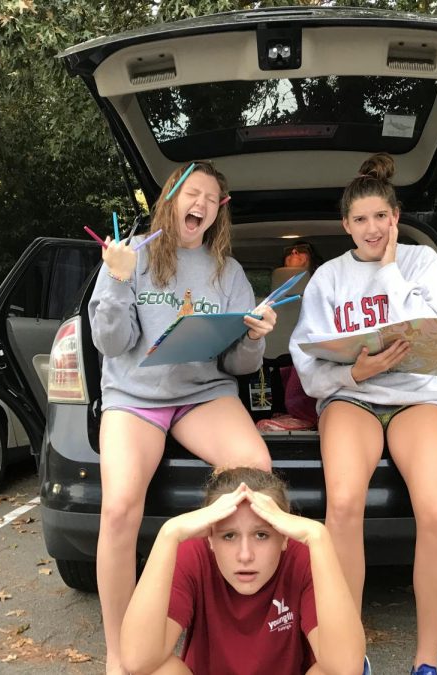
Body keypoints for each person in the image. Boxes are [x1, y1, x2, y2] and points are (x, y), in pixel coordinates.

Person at [89, 161, 278, 674]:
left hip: (201, 393)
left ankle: (219, 622)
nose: (200, 204)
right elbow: (111, 342)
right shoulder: (131, 255)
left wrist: (253, 339)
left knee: (253, 476)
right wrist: (115, 280)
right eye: (191, 193)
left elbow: (234, 365)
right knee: (120, 506)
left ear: (220, 211)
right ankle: (118, 651)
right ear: (169, 197)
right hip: (135, 396)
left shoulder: (229, 271)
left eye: (211, 198)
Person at [290, 152, 437, 675]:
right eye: (359, 220)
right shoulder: (326, 279)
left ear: (395, 217)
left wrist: (388, 270)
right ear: (345, 225)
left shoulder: (422, 263)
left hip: (415, 397)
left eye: (380, 217)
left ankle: (426, 661)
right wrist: (353, 377)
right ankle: (349, 652)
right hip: (352, 398)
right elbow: (307, 363)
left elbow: (429, 331)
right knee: (341, 507)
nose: (371, 228)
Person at [119, 467, 366, 675]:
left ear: (284, 537)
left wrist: (318, 536)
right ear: (210, 539)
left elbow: (346, 666)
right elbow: (138, 660)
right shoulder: (194, 553)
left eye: (261, 535)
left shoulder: (302, 555)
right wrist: (169, 534)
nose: (245, 555)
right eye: (229, 536)